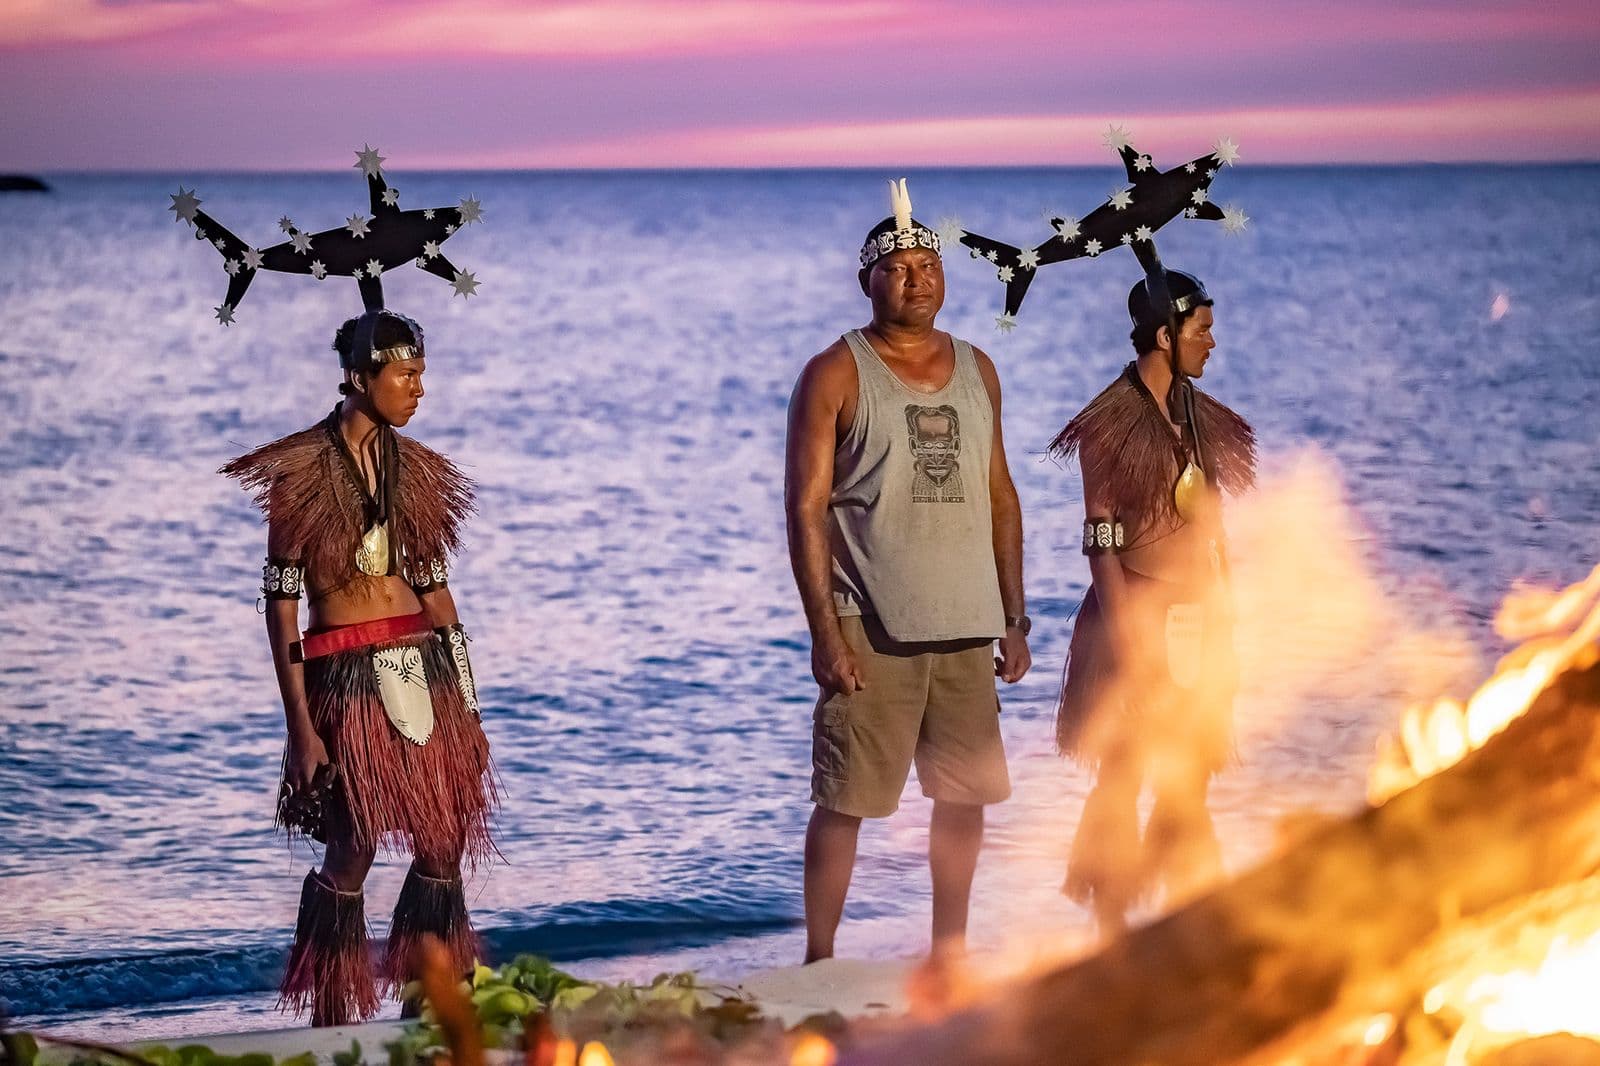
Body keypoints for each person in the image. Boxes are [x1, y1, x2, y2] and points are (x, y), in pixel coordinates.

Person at [222, 310, 495, 1026]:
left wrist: (469, 703)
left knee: (443, 836)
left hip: (425, 666)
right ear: (359, 376)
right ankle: (333, 1005)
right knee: (355, 844)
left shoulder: (419, 472)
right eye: (405, 375)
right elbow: (282, 606)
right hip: (344, 674)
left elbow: (437, 592)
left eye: (421, 376)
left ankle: (430, 998)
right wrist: (301, 728)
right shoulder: (300, 473)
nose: (418, 390)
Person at [785, 180, 1031, 964]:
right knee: (845, 800)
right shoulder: (835, 372)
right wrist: (826, 633)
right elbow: (805, 507)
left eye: (928, 265)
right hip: (871, 624)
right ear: (867, 281)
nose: (915, 279)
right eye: (896, 268)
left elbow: (999, 493)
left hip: (966, 623)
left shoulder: (978, 368)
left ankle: (948, 953)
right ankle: (820, 959)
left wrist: (1016, 617)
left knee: (965, 797)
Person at [1049, 269, 1255, 936]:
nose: (1212, 343)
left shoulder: (1203, 420)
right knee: (1126, 768)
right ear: (1165, 336)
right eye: (1203, 331)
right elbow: (1100, 538)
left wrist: (1225, 623)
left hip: (1198, 619)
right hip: (1130, 614)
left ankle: (1190, 919)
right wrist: (1132, 644)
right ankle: (1110, 930)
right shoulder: (1111, 422)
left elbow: (1215, 534)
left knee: (1189, 775)